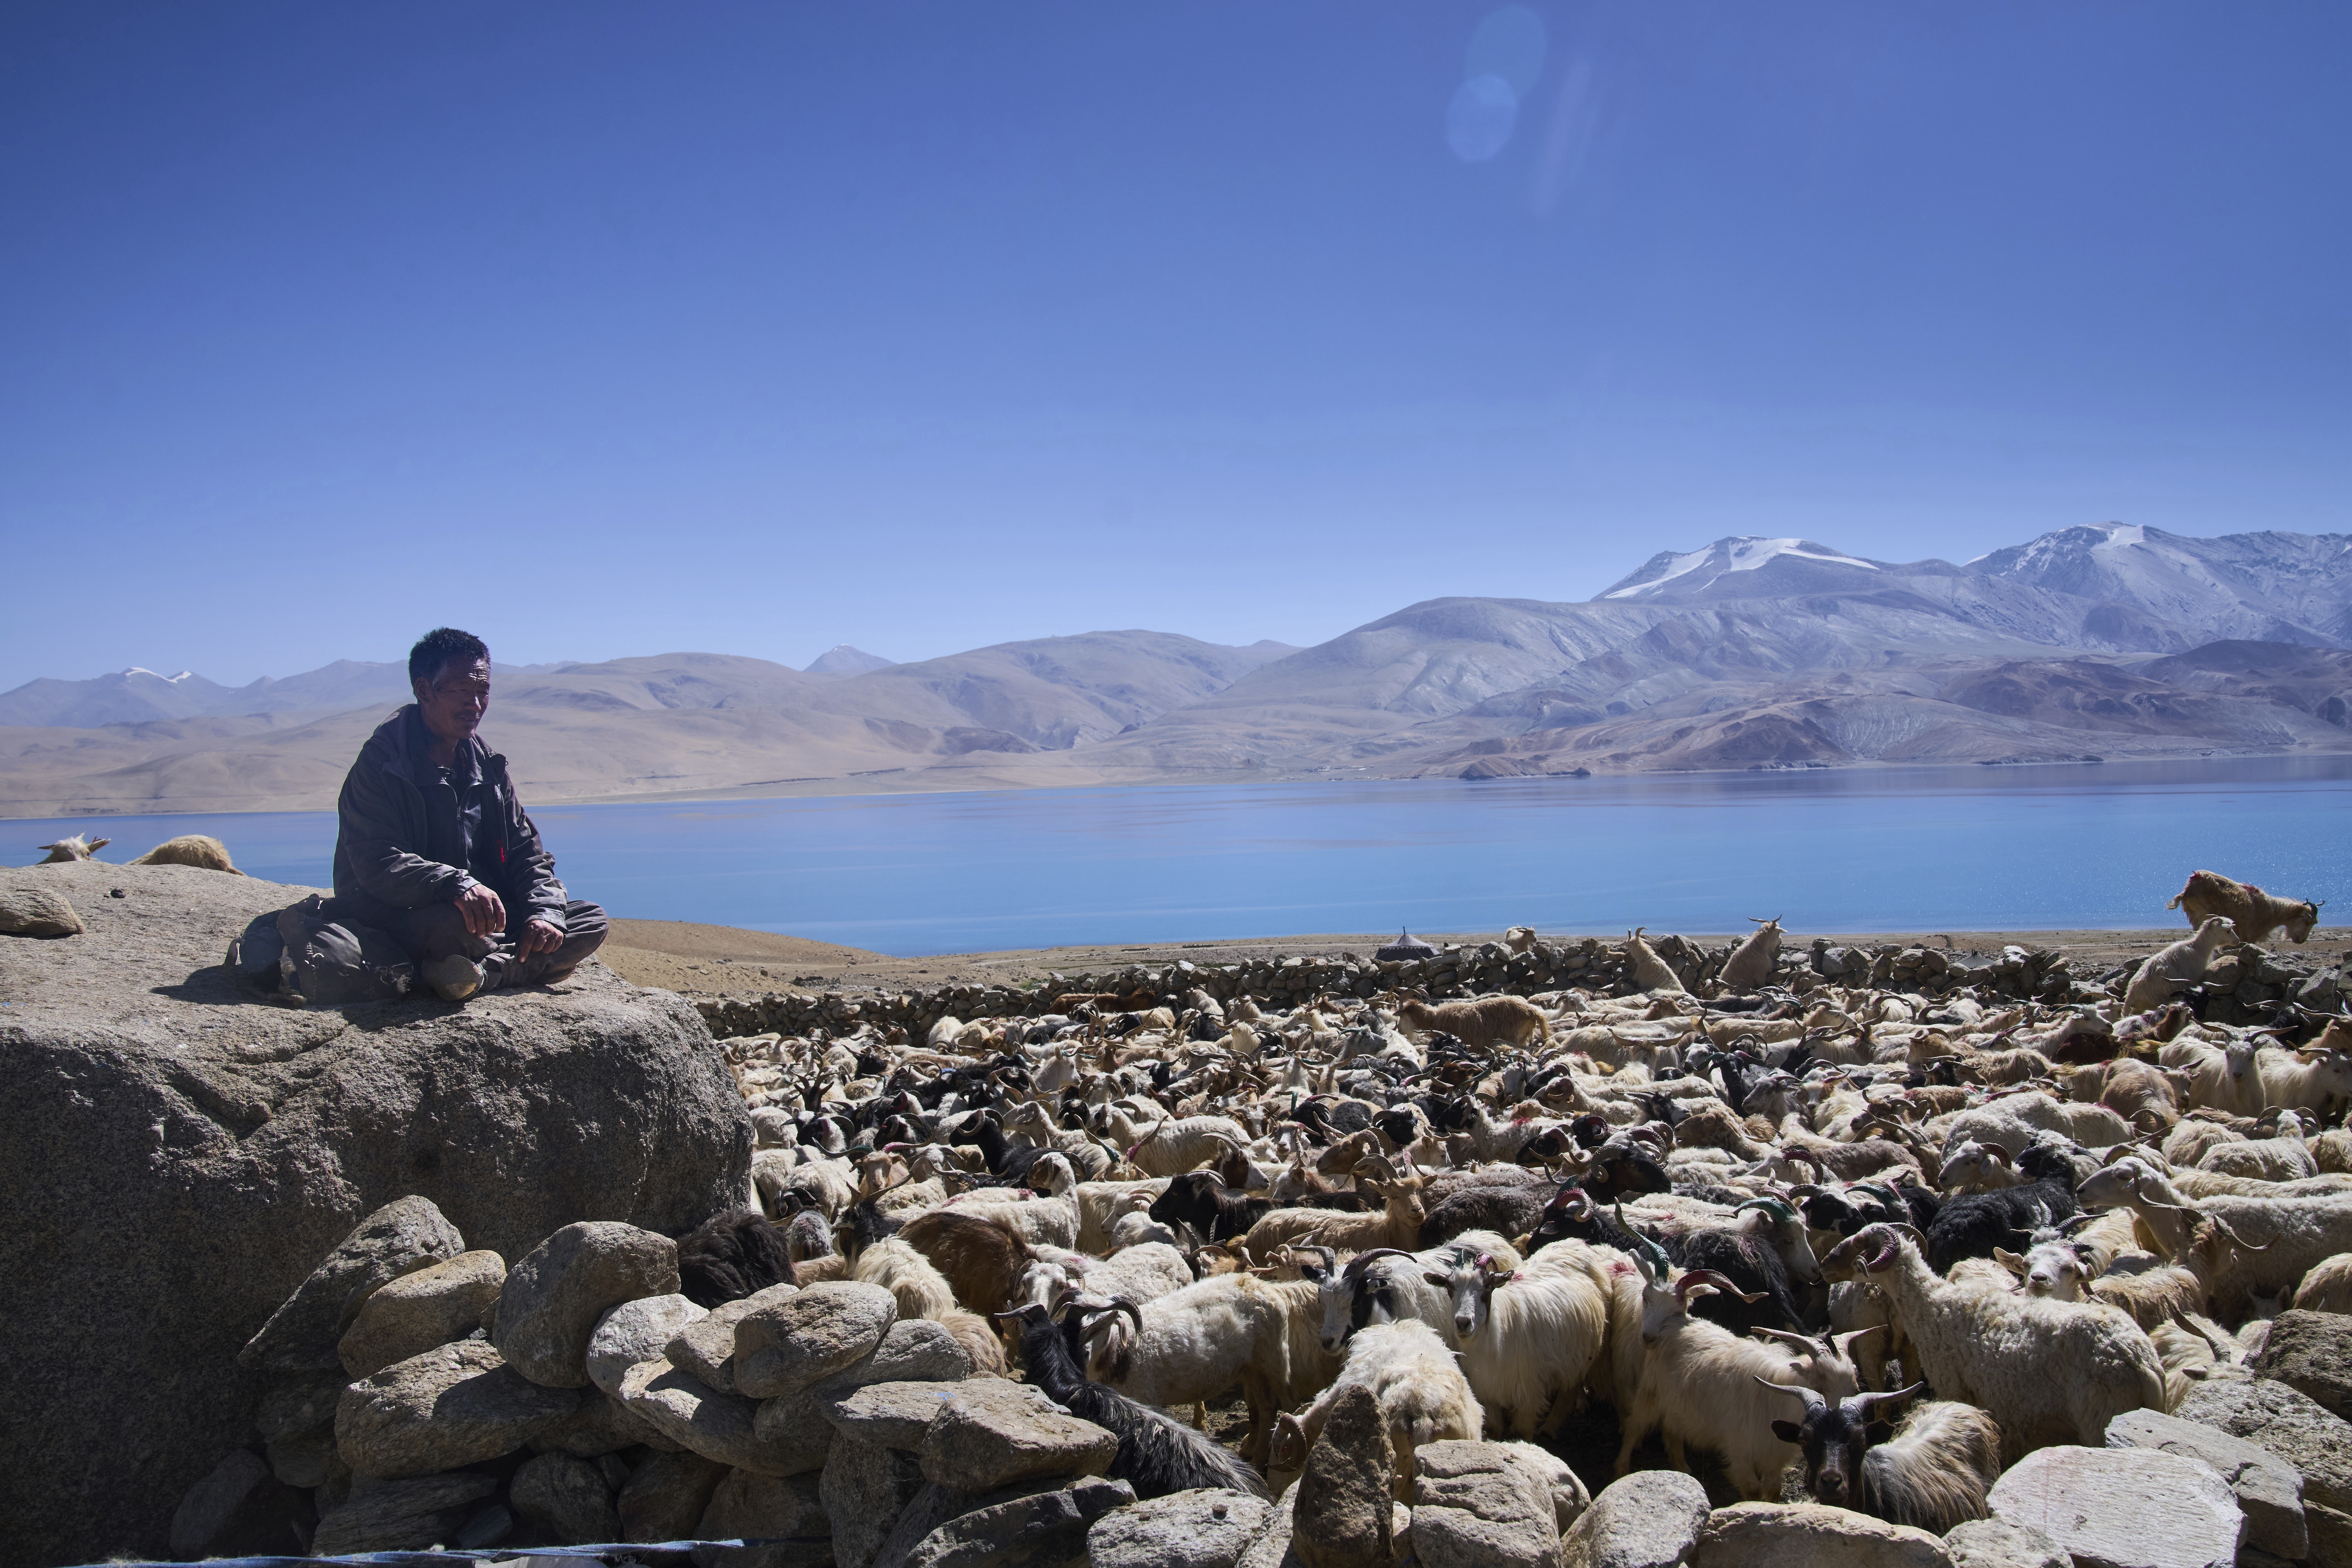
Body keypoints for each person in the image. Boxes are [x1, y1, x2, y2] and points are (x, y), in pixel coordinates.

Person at [328, 627, 609, 1002]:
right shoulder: (383, 765)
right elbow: (376, 861)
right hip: (401, 911)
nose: (475, 704)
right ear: (424, 690)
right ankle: (509, 966)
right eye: (462, 690)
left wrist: (544, 914)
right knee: (455, 927)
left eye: (483, 691)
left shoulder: (486, 765)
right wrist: (454, 884)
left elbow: (526, 852)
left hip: (482, 913)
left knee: (589, 918)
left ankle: (474, 974)